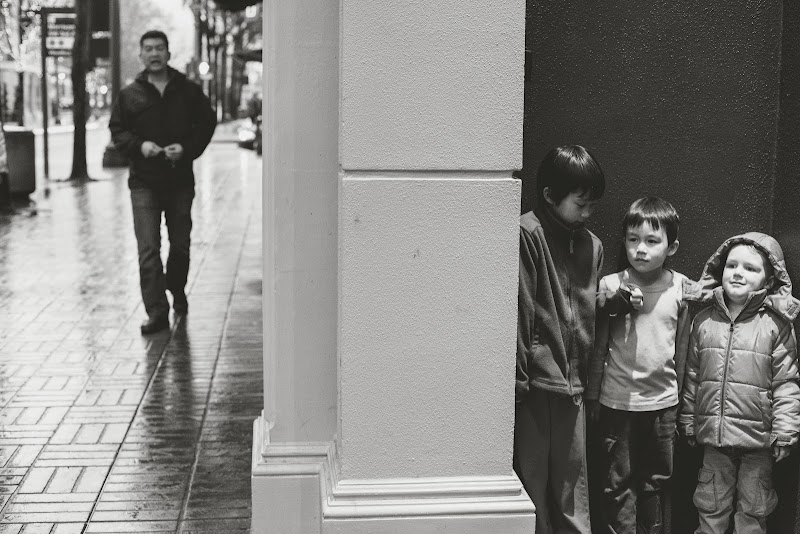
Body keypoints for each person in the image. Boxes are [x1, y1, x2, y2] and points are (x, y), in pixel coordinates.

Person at [680, 232, 800, 534]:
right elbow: (693, 375)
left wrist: (785, 431)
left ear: (768, 281)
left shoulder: (775, 325)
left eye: (750, 268)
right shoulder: (704, 321)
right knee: (710, 506)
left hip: (758, 441)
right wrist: (688, 421)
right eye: (732, 265)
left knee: (754, 510)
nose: (737, 273)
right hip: (715, 440)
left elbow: (786, 382)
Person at [586, 197, 692, 534]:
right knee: (617, 482)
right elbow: (599, 346)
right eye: (633, 239)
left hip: (663, 405)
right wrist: (593, 396)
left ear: (671, 247)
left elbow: (683, 349)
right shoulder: (611, 286)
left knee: (655, 482)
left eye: (651, 241)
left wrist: (681, 402)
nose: (640, 249)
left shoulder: (681, 288)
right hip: (617, 403)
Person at [514, 145, 605, 534]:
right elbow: (522, 310)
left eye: (592, 205)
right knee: (531, 486)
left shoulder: (592, 245)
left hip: (574, 387)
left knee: (573, 488)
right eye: (580, 204)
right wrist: (518, 381)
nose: (587, 213)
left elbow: (589, 313)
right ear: (550, 195)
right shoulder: (527, 234)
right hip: (534, 386)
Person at [110, 30, 217, 334]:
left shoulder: (188, 91)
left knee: (180, 245)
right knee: (148, 250)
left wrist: (187, 149)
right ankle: (156, 311)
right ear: (141, 55)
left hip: (179, 180)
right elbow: (117, 130)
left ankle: (177, 287)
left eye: (159, 48)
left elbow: (207, 123)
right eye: (148, 49)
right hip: (143, 182)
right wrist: (139, 146)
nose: (154, 53)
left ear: (169, 54)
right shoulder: (129, 95)